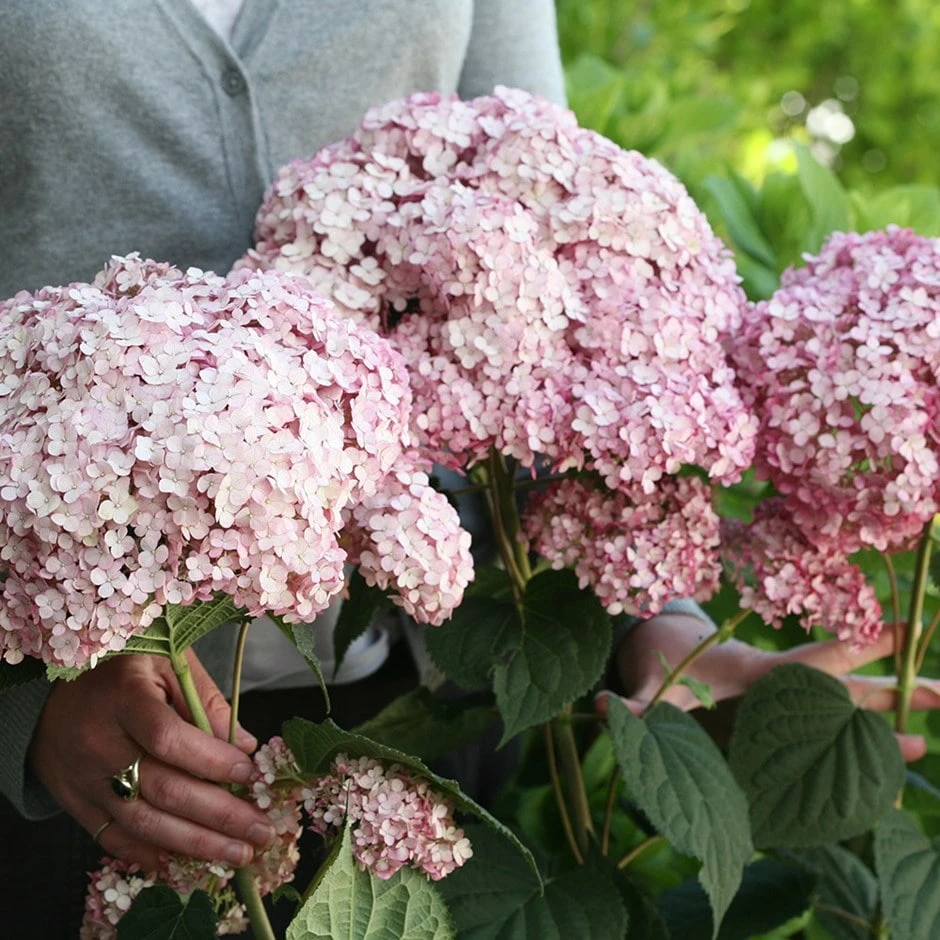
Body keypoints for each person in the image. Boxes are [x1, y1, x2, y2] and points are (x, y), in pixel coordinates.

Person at [1, 2, 937, 937]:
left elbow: (561, 270)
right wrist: (24, 711)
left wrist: (653, 623)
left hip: (431, 717)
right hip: (84, 777)